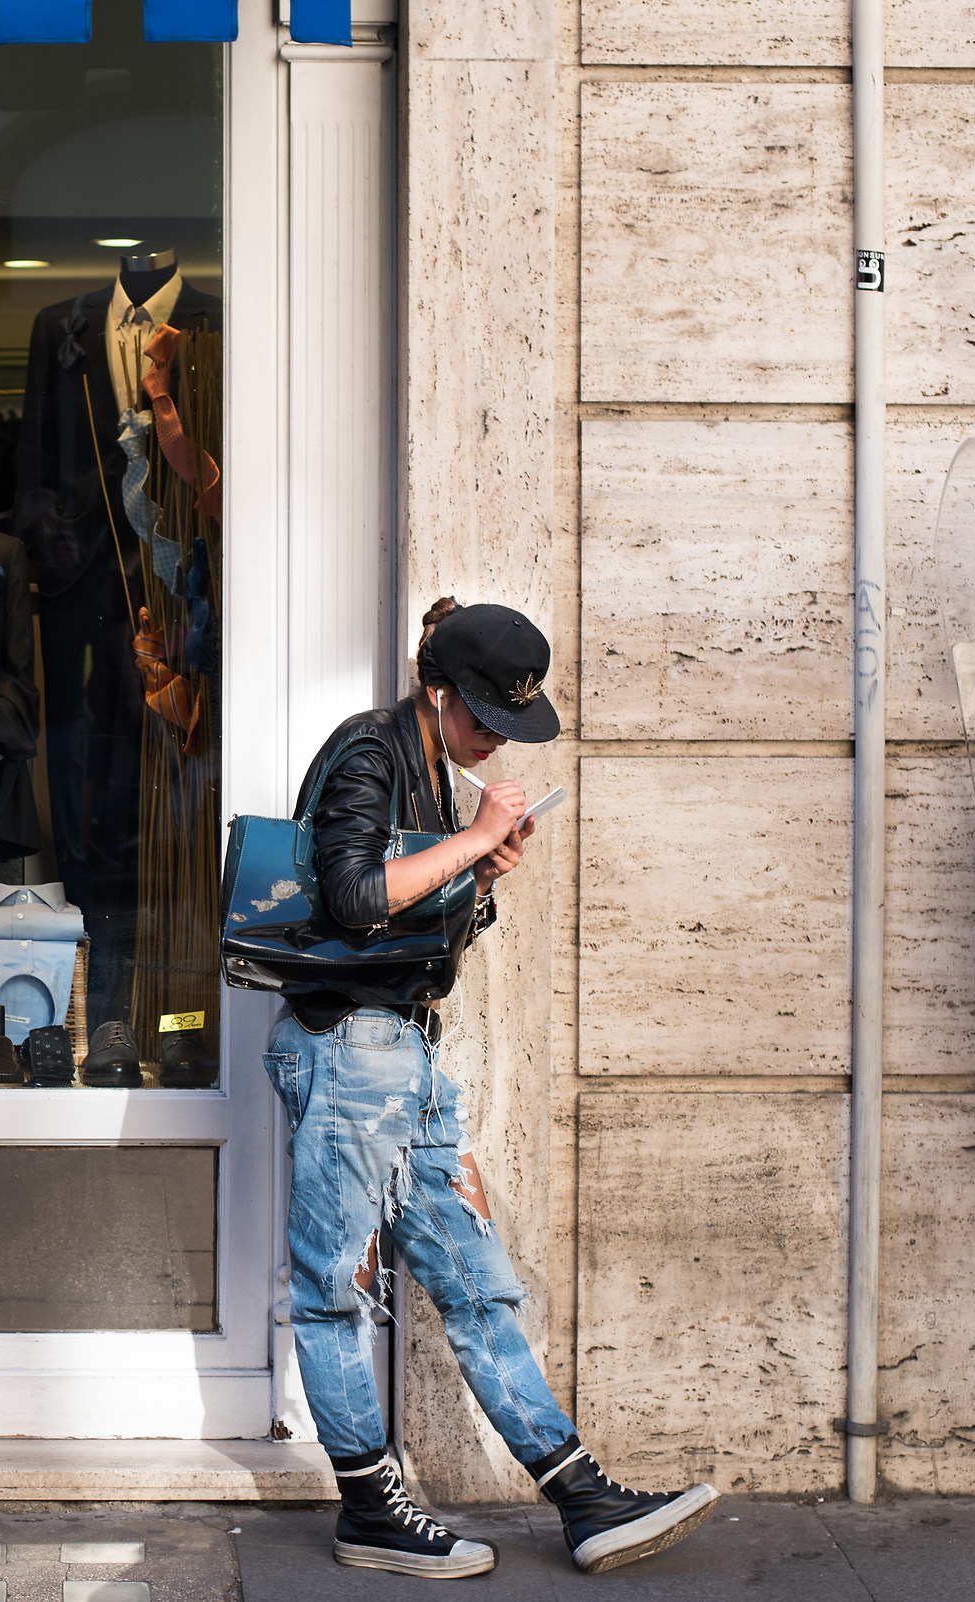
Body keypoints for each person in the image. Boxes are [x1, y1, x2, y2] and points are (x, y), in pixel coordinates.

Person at [265, 598, 719, 1579]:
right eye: (486, 717)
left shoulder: (434, 769)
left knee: (476, 1282)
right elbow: (351, 896)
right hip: (348, 1049)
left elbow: (418, 926)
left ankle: (582, 1499)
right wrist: (474, 841)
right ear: (438, 691)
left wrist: (484, 875)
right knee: (333, 1289)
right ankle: (369, 1512)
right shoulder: (371, 753)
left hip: (404, 1056)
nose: (495, 740)